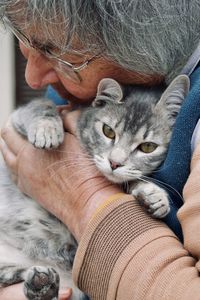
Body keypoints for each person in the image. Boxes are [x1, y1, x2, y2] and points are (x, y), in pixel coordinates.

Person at [1, 0, 200, 299]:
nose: (33, 78)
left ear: (138, 43)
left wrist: (86, 199)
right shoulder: (90, 86)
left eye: (57, 54)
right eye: (25, 40)